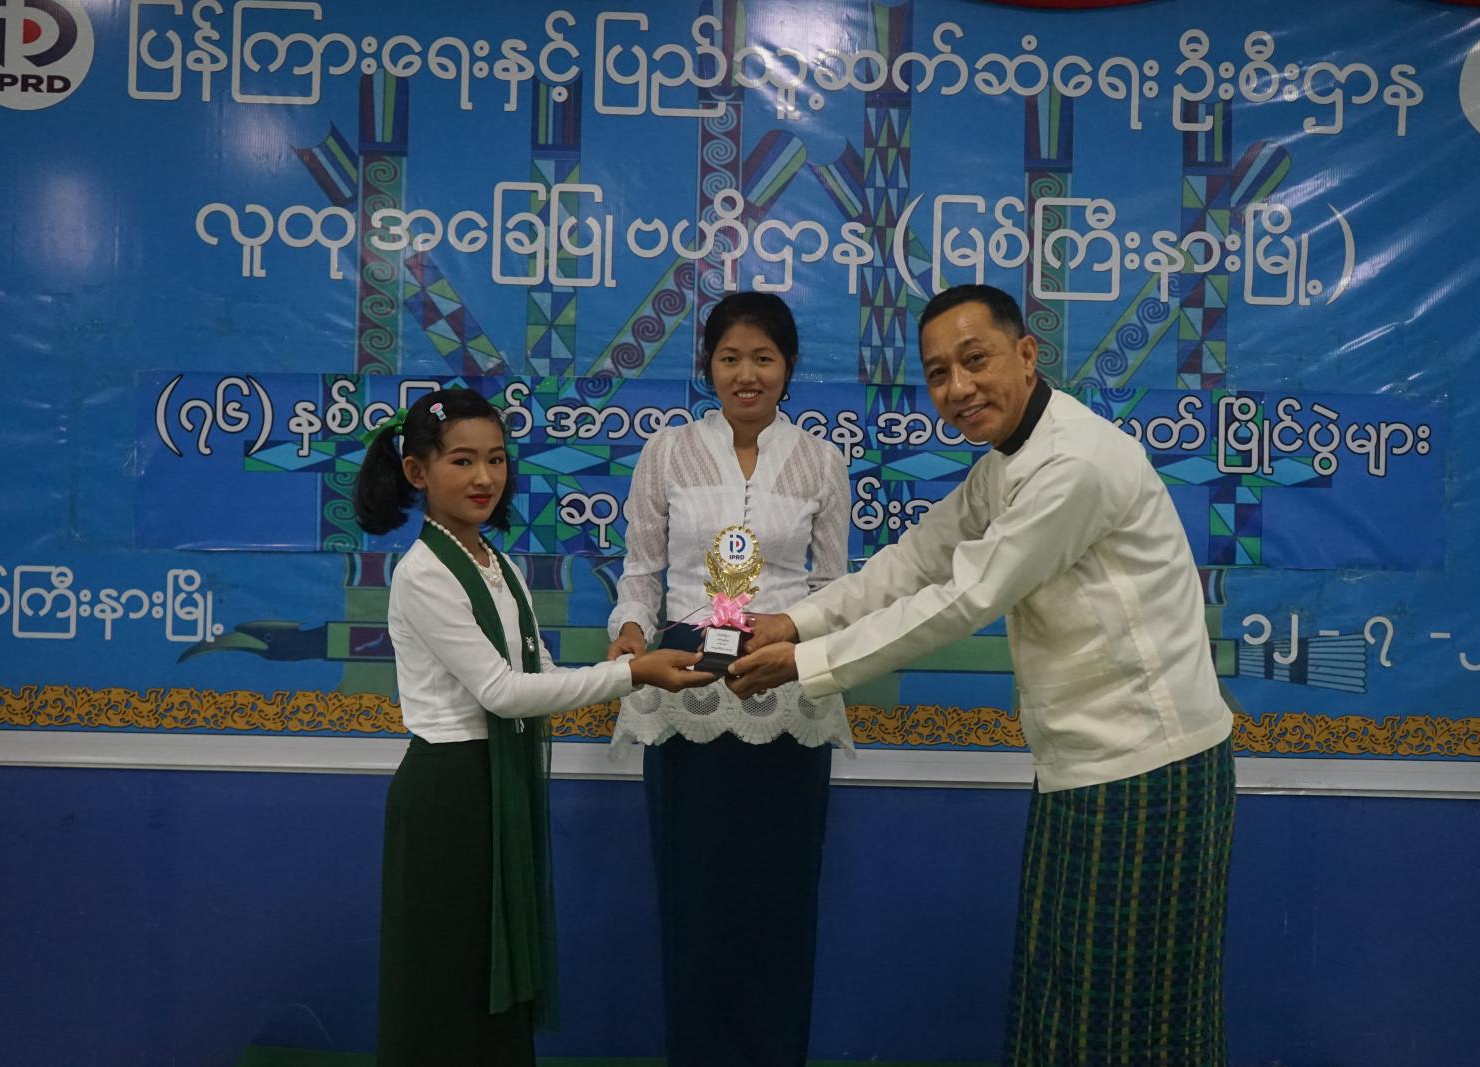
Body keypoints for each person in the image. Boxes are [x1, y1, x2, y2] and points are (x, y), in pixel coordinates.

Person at [729, 284, 1237, 1067]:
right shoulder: (1008, 461)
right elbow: (917, 558)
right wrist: (797, 620)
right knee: (1062, 993)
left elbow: (965, 597)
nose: (958, 387)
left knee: (1134, 1014)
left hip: (1149, 768)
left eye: (976, 360)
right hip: (1080, 766)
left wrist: (805, 662)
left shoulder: (1074, 463)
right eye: (938, 373)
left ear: (1027, 354)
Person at [353, 387, 712, 1067]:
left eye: (495, 459)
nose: (484, 477)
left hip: (499, 781)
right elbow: (503, 692)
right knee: (448, 971)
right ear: (417, 471)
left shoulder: (498, 564)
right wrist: (632, 676)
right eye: (462, 460)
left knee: (497, 967)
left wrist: (625, 659)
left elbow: (538, 673)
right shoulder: (424, 573)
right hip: (449, 791)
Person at [605, 292, 852, 1066]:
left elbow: (833, 588)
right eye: (730, 357)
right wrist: (629, 632)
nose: (747, 374)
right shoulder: (666, 451)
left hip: (785, 690)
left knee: (780, 895)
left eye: (764, 358)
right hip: (686, 688)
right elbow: (640, 573)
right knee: (696, 895)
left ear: (789, 367)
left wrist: (798, 639)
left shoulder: (822, 462)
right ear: (708, 365)